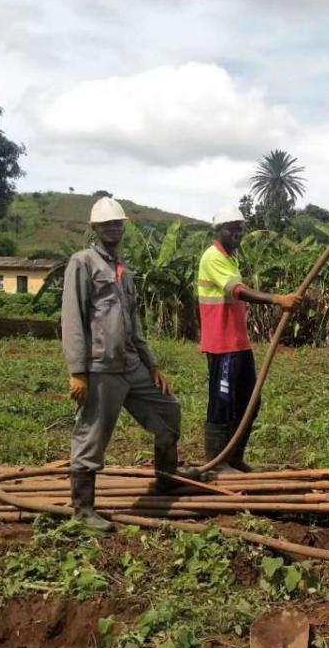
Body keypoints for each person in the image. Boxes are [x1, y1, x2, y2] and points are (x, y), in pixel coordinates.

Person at [62, 196, 195, 532]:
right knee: (91, 436)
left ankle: (166, 479)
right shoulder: (83, 263)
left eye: (118, 223)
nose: (114, 228)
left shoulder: (125, 273)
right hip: (101, 368)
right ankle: (83, 511)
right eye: (107, 224)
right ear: (95, 228)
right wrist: (77, 371)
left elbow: (133, 326)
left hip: (131, 365)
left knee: (168, 412)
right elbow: (72, 319)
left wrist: (152, 364)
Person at [197, 205, 302, 474]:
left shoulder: (231, 259)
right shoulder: (213, 257)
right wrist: (277, 299)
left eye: (240, 228)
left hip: (239, 343)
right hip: (222, 344)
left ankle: (233, 458)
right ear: (218, 230)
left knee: (250, 402)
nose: (237, 233)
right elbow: (238, 291)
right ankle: (217, 463)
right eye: (231, 228)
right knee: (222, 403)